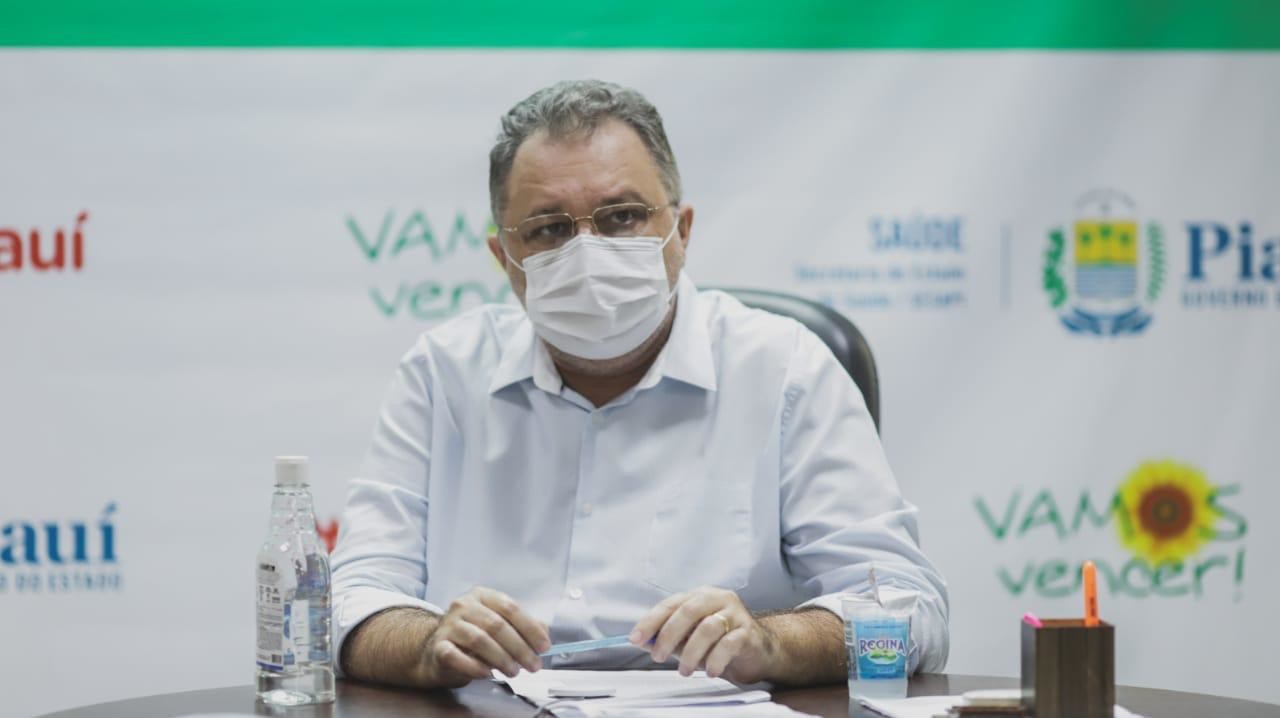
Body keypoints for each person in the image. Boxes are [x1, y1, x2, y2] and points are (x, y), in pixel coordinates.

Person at [331, 79, 948, 689]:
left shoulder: (785, 369)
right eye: (548, 229)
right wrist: (425, 643)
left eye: (622, 217)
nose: (587, 252)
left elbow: (908, 610)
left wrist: (771, 641)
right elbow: (349, 604)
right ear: (504, 259)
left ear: (682, 231)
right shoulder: (442, 374)